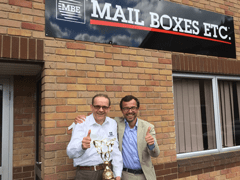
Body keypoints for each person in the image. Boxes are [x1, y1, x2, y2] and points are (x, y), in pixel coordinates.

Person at [75, 95, 160, 180]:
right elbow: (101, 118)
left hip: (145, 175)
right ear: (122, 110)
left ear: (137, 109)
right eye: (126, 108)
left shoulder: (148, 127)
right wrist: (83, 119)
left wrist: (151, 144)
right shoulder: (116, 123)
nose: (130, 111)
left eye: (133, 108)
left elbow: (155, 154)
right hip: (125, 175)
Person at [67, 94, 122, 180]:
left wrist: (117, 174)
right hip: (87, 174)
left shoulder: (112, 123)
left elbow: (115, 150)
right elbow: (70, 153)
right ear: (91, 107)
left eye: (104, 107)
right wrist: (81, 146)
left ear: (109, 109)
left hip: (108, 173)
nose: (101, 110)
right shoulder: (82, 123)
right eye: (97, 106)